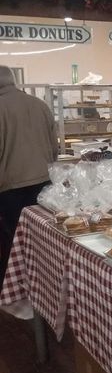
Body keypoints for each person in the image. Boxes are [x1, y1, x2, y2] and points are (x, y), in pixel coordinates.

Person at [0, 66, 58, 291]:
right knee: (43, 238)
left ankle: (18, 290)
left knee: (15, 242)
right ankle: (46, 284)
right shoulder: (39, 105)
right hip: (44, 183)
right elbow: (54, 148)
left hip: (10, 189)